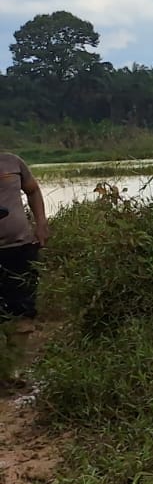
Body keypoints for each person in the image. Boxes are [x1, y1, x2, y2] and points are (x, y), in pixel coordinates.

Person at [0, 149, 49, 357]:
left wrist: (41, 223)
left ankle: (15, 366)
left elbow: (33, 190)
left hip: (20, 248)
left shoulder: (12, 162)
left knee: (23, 310)